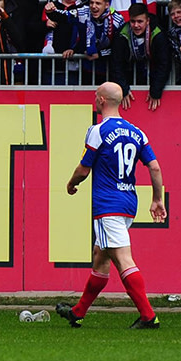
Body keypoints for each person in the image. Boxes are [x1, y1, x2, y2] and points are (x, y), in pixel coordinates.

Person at [56, 81, 166, 330]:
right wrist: (157, 199)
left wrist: (72, 183)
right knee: (101, 258)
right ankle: (78, 312)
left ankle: (148, 316)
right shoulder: (137, 131)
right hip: (128, 202)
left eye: (96, 95)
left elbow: (84, 168)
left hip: (108, 205)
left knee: (122, 259)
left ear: (102, 100)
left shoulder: (98, 130)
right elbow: (155, 167)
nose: (95, 98)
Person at [110, 2, 172, 111]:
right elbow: (116, 64)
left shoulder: (158, 34)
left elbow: (164, 63)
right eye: (133, 21)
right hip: (130, 74)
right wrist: (123, 89)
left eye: (140, 21)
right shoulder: (122, 34)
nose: (136, 25)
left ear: (147, 21)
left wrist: (156, 91)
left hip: (151, 74)